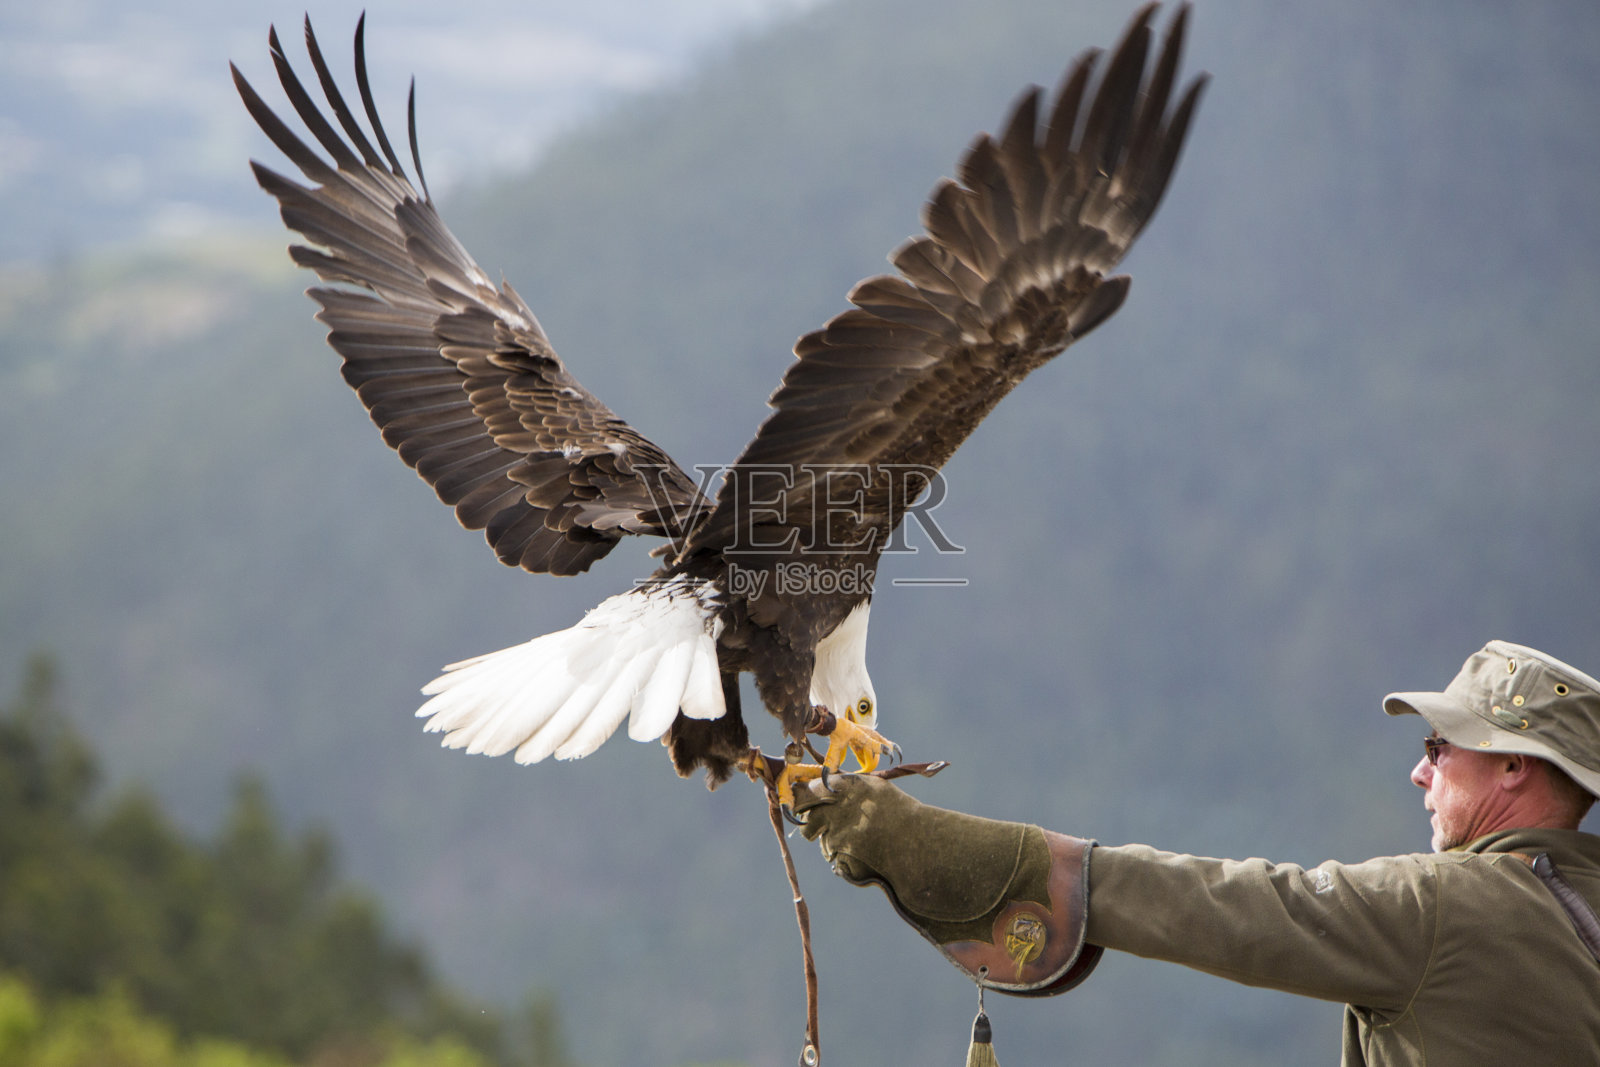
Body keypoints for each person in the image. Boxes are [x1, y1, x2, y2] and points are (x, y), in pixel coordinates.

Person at [796, 639, 1600, 1064]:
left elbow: (1235, 908)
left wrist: (943, 848)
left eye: (1440, 743)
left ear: (1512, 765)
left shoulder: (1447, 910)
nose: (1420, 769)